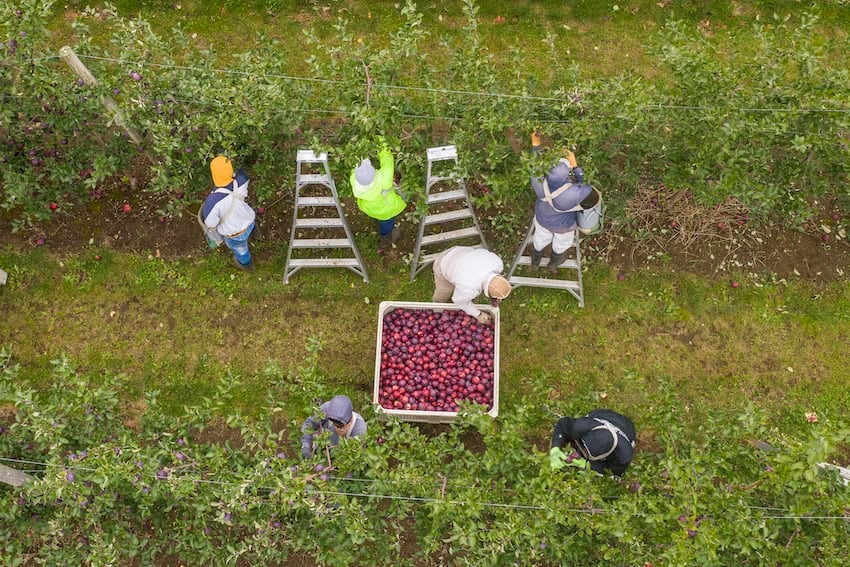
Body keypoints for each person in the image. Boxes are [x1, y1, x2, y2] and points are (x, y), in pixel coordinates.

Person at [529, 131, 593, 271]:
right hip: (563, 226)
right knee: (561, 245)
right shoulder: (572, 193)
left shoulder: (538, 181)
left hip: (542, 219)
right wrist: (575, 165)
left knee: (540, 239)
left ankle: (535, 260)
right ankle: (554, 262)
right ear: (567, 172)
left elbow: (534, 165)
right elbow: (588, 186)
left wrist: (536, 144)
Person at [199, 155, 257, 271]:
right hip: (249, 220)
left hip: (235, 235)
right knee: (251, 226)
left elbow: (211, 224)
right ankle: (256, 233)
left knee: (242, 251)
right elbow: (239, 174)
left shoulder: (212, 202)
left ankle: (247, 265)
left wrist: (216, 239)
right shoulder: (242, 179)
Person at [350, 138, 406, 252]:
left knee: (380, 216)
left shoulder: (353, 180)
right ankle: (385, 239)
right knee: (386, 223)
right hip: (387, 209)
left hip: (369, 208)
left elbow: (355, 169)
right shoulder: (383, 178)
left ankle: (381, 225)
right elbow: (387, 159)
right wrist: (380, 140)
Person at [431, 245, 512, 324]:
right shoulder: (470, 288)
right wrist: (478, 314)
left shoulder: (497, 262)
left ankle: (457, 283)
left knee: (462, 287)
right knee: (443, 292)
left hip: (459, 251)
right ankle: (437, 308)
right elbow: (458, 300)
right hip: (443, 263)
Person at [549, 409, 636, 476]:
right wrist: (555, 448)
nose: (576, 453)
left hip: (627, 428)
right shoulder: (580, 426)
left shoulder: (623, 457)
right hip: (602, 415)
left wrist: (588, 465)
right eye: (582, 447)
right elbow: (561, 425)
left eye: (586, 453)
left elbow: (610, 472)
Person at [300, 395, 367, 459]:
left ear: (349, 421)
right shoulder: (326, 410)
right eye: (334, 423)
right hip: (323, 448)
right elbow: (309, 424)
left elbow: (357, 456)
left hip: (341, 458)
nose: (336, 427)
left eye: (340, 425)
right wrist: (306, 445)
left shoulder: (359, 429)